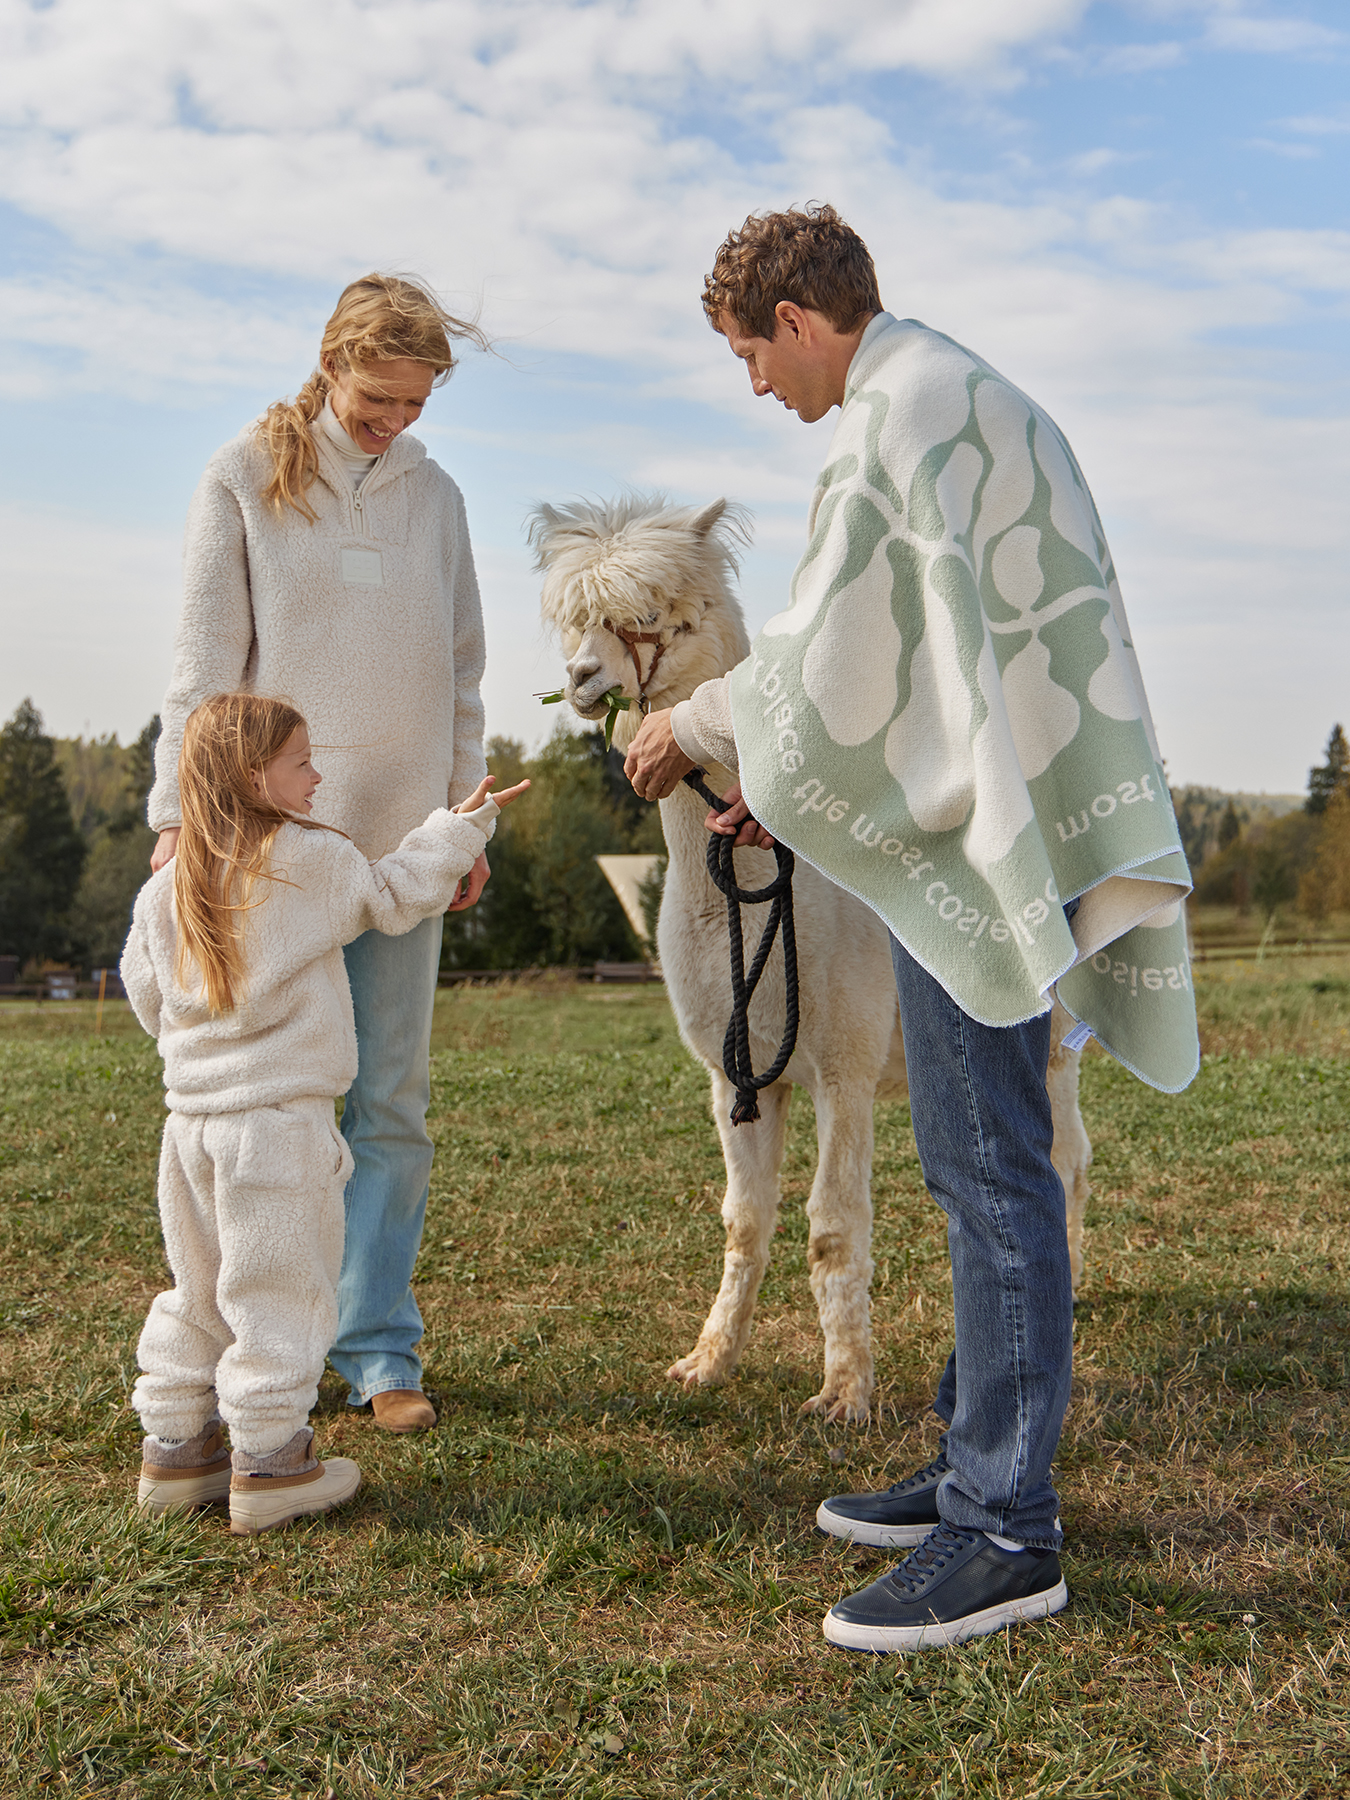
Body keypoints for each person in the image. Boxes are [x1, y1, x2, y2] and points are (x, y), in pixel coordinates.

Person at [624, 205, 1197, 1652]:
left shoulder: (893, 422)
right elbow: (927, 664)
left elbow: (824, 662)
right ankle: (968, 1461)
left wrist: (688, 725)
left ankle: (1005, 1530)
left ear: (801, 323)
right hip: (1015, 807)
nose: (758, 386)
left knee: (986, 1165)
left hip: (979, 848)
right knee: (971, 1155)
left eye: (753, 356)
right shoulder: (971, 395)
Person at [147, 274, 491, 1433]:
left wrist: (460, 823)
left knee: (390, 1105)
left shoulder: (436, 499)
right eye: (380, 397)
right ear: (334, 362)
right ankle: (256, 1347)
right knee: (273, 1114)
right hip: (269, 859)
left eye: (417, 403)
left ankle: (379, 1347)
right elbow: (203, 669)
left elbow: (462, 672)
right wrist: (173, 823)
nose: (396, 420)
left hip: (397, 853)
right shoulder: (245, 476)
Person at [125, 693, 527, 1534]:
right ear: (253, 774)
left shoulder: (166, 889)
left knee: (197, 1287)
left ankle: (175, 1447)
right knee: (281, 1287)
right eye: (302, 761)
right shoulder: (306, 860)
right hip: (278, 1128)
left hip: (190, 1131)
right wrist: (463, 827)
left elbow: (147, 997)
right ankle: (273, 1465)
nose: (318, 776)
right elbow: (394, 894)